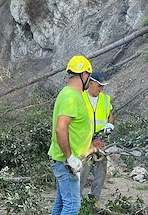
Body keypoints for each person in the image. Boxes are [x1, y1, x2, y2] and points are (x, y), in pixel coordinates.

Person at [48, 55, 93, 215]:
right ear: (85, 75)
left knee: (61, 204)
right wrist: (70, 158)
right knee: (72, 206)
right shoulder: (71, 97)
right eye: (89, 76)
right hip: (65, 162)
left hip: (63, 161)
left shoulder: (71, 94)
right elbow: (61, 129)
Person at [80, 72, 115, 202]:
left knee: (100, 173)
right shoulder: (81, 98)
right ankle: (75, 200)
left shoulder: (105, 99)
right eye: (99, 86)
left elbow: (110, 115)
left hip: (101, 142)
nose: (101, 89)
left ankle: (93, 200)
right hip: (85, 144)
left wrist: (109, 125)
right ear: (91, 83)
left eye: (103, 87)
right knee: (82, 172)